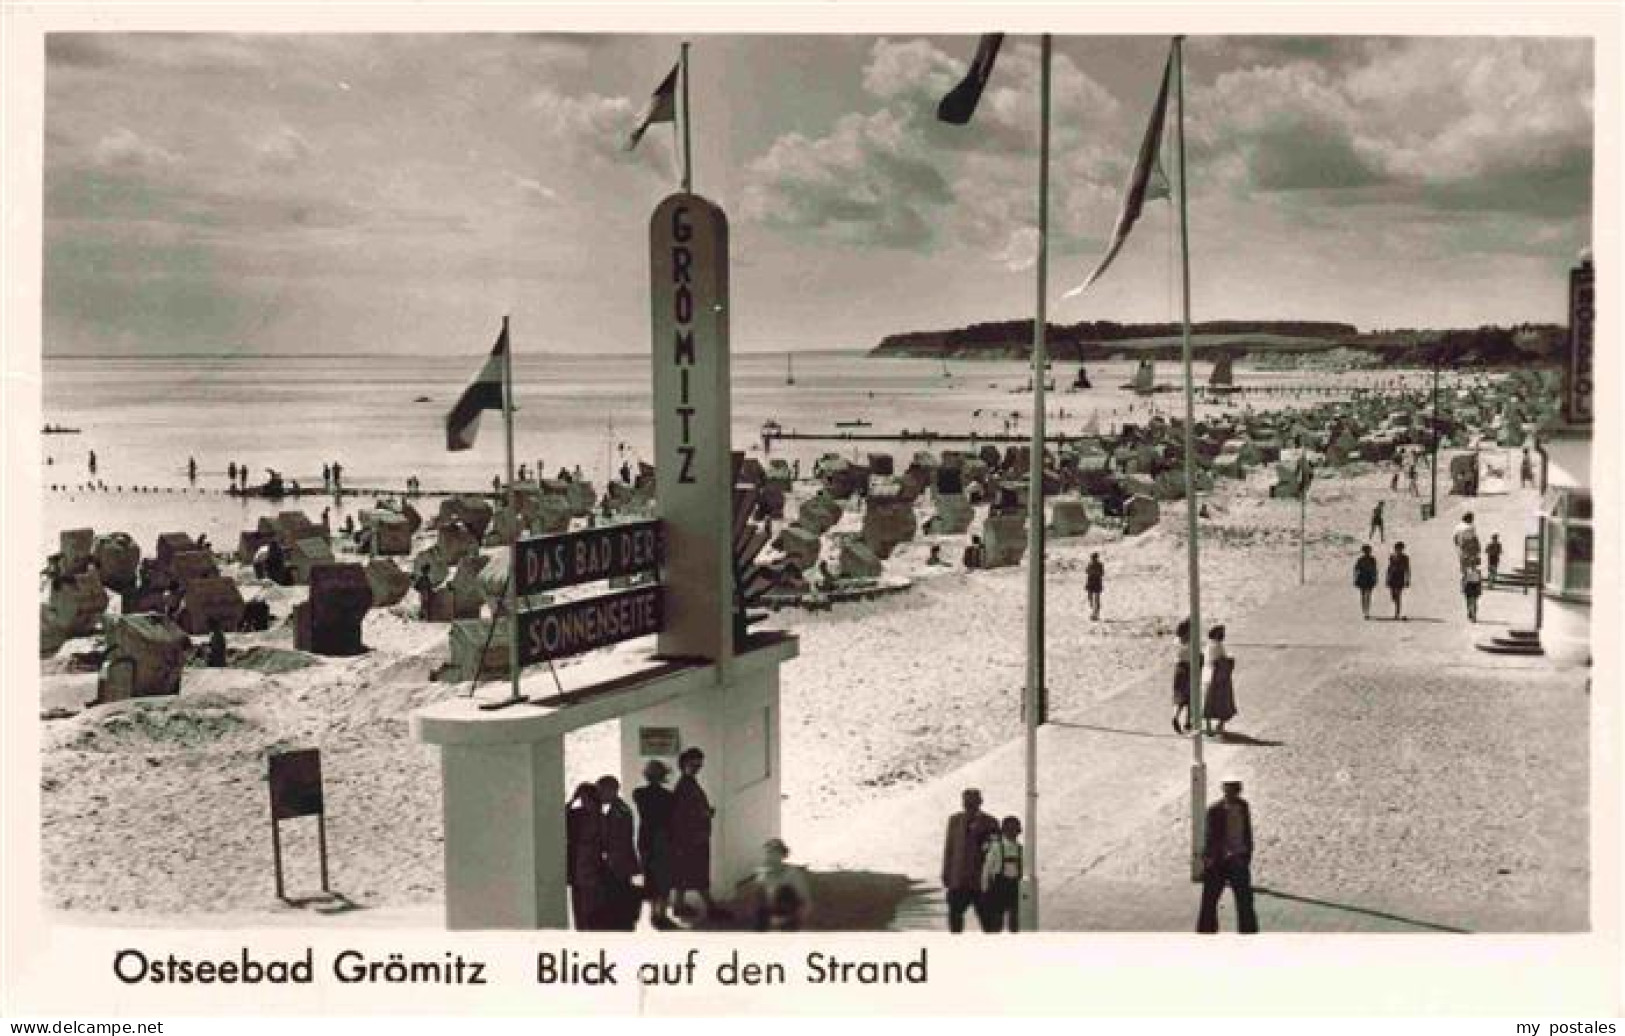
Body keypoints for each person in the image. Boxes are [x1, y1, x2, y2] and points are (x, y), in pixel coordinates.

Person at [670, 747, 727, 921]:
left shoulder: (688, 783)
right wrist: (705, 814)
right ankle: (711, 908)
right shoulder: (685, 786)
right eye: (693, 764)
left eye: (699, 764)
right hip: (692, 839)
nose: (697, 767)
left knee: (685, 873)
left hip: (691, 838)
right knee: (698, 874)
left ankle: (679, 906)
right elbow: (683, 814)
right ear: (684, 764)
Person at [1196, 780, 1259, 934]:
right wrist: (1210, 860)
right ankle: (1206, 933)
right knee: (1209, 902)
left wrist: (1246, 853)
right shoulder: (1215, 810)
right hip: (1218, 862)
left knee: (1245, 902)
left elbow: (1246, 831)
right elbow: (1210, 837)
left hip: (1238, 859)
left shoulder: (1243, 806)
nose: (1231, 794)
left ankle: (1248, 933)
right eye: (1228, 790)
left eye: (1234, 791)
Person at [940, 787, 999, 933]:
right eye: (966, 802)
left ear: (980, 802)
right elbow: (949, 849)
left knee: (988, 922)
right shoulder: (954, 821)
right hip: (958, 880)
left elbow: (995, 853)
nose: (969, 806)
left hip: (981, 882)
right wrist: (946, 873)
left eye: (973, 802)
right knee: (955, 919)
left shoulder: (990, 822)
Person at [633, 759, 677, 930]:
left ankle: (653, 915)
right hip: (663, 838)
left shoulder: (638, 793)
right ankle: (662, 915)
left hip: (645, 838)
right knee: (664, 878)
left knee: (650, 878)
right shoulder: (669, 797)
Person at [596, 775, 641, 931]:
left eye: (601, 791)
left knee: (619, 894)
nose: (599, 795)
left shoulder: (619, 812)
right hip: (620, 861)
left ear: (612, 791)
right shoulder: (620, 809)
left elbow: (616, 839)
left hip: (618, 862)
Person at [751, 837, 813, 932]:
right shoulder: (762, 872)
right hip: (767, 917)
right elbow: (758, 899)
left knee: (784, 891)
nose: (771, 856)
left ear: (783, 855)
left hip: (789, 918)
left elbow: (806, 901)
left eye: (775, 853)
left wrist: (799, 921)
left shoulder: (793, 873)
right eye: (768, 853)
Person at [565, 783, 604, 930]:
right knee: (578, 901)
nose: (584, 801)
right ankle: (581, 928)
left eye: (586, 798)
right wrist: (572, 800)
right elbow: (560, 815)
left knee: (591, 902)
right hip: (576, 861)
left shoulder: (599, 816)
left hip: (591, 863)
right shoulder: (577, 814)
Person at [979, 816, 1024, 933]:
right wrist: (984, 889)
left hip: (1015, 888)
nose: (1012, 832)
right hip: (999, 888)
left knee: (1015, 921)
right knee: (997, 921)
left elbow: (1024, 868)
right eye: (1008, 829)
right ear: (1003, 831)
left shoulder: (1021, 849)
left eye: (1014, 829)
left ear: (1019, 831)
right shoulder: (996, 847)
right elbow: (987, 869)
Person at [1202, 625, 1237, 737]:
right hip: (1218, 677)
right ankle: (1220, 725)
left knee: (1208, 703)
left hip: (1206, 676)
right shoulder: (1218, 646)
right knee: (1223, 702)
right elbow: (1219, 660)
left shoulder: (1208, 645)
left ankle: (1208, 728)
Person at [1172, 618, 1200, 734]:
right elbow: (1196, 656)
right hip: (1189, 670)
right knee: (1191, 698)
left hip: (1178, 669)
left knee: (1179, 697)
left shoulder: (1176, 642)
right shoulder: (1191, 643)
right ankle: (1188, 723)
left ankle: (1175, 716)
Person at [1353, 544, 1379, 619]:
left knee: (1368, 595)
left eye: (1368, 551)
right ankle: (1364, 611)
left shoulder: (1372, 559)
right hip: (1362, 578)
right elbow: (1356, 569)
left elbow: (1375, 569)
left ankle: (1367, 611)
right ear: (1363, 551)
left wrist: (1375, 577)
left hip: (1370, 578)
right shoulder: (1360, 559)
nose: (1367, 552)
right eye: (1365, 551)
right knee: (1363, 595)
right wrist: (1355, 578)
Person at [1387, 542, 1411, 620]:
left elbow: (1407, 569)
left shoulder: (1405, 558)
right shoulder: (1392, 556)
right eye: (1397, 549)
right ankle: (1397, 609)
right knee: (1393, 596)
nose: (1399, 550)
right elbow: (1389, 567)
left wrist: (1407, 579)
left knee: (1398, 595)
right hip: (1392, 577)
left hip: (1400, 577)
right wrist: (1387, 578)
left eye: (1400, 549)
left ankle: (1397, 613)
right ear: (1395, 549)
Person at [1085, 553, 1105, 620]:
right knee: (1090, 598)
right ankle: (1094, 612)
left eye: (1094, 558)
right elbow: (1086, 571)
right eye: (1092, 558)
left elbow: (1102, 573)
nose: (1093, 559)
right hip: (1091, 582)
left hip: (1096, 582)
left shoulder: (1099, 565)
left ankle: (1095, 614)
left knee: (1096, 599)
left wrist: (1095, 573)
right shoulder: (1090, 564)